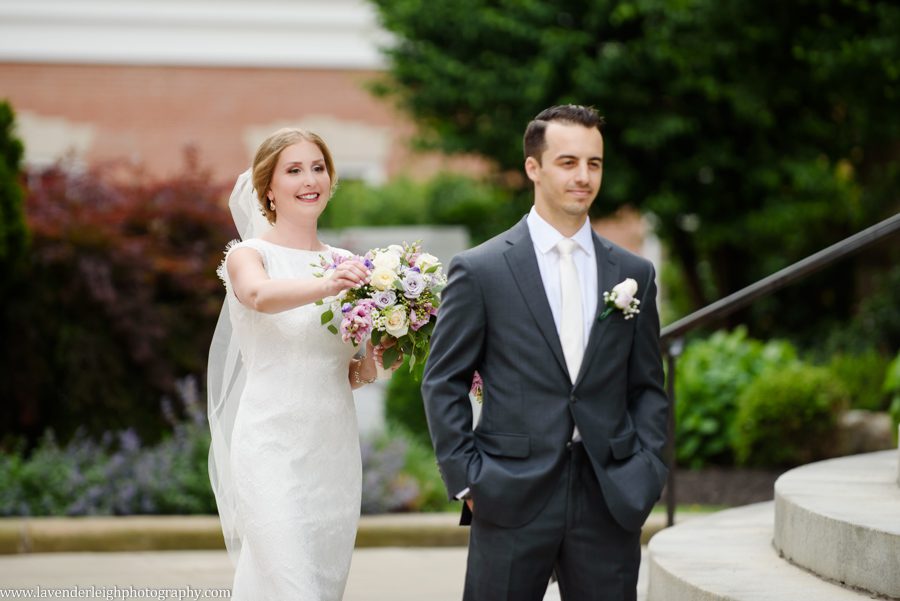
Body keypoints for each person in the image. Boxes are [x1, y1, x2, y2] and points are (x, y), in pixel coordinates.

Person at [421, 105, 669, 601]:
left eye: (594, 163)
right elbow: (443, 380)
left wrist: (646, 469)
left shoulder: (633, 273)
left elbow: (646, 387)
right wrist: (469, 481)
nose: (583, 176)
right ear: (533, 168)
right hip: (508, 494)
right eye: (568, 162)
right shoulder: (481, 269)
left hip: (609, 493)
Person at [207, 128, 388, 600]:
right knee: (295, 586)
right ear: (268, 188)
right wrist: (330, 285)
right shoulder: (249, 256)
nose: (310, 179)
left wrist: (376, 351)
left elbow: (356, 372)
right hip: (270, 445)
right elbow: (258, 296)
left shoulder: (350, 263)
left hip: (332, 452)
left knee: (317, 585)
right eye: (294, 170)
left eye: (318, 167)